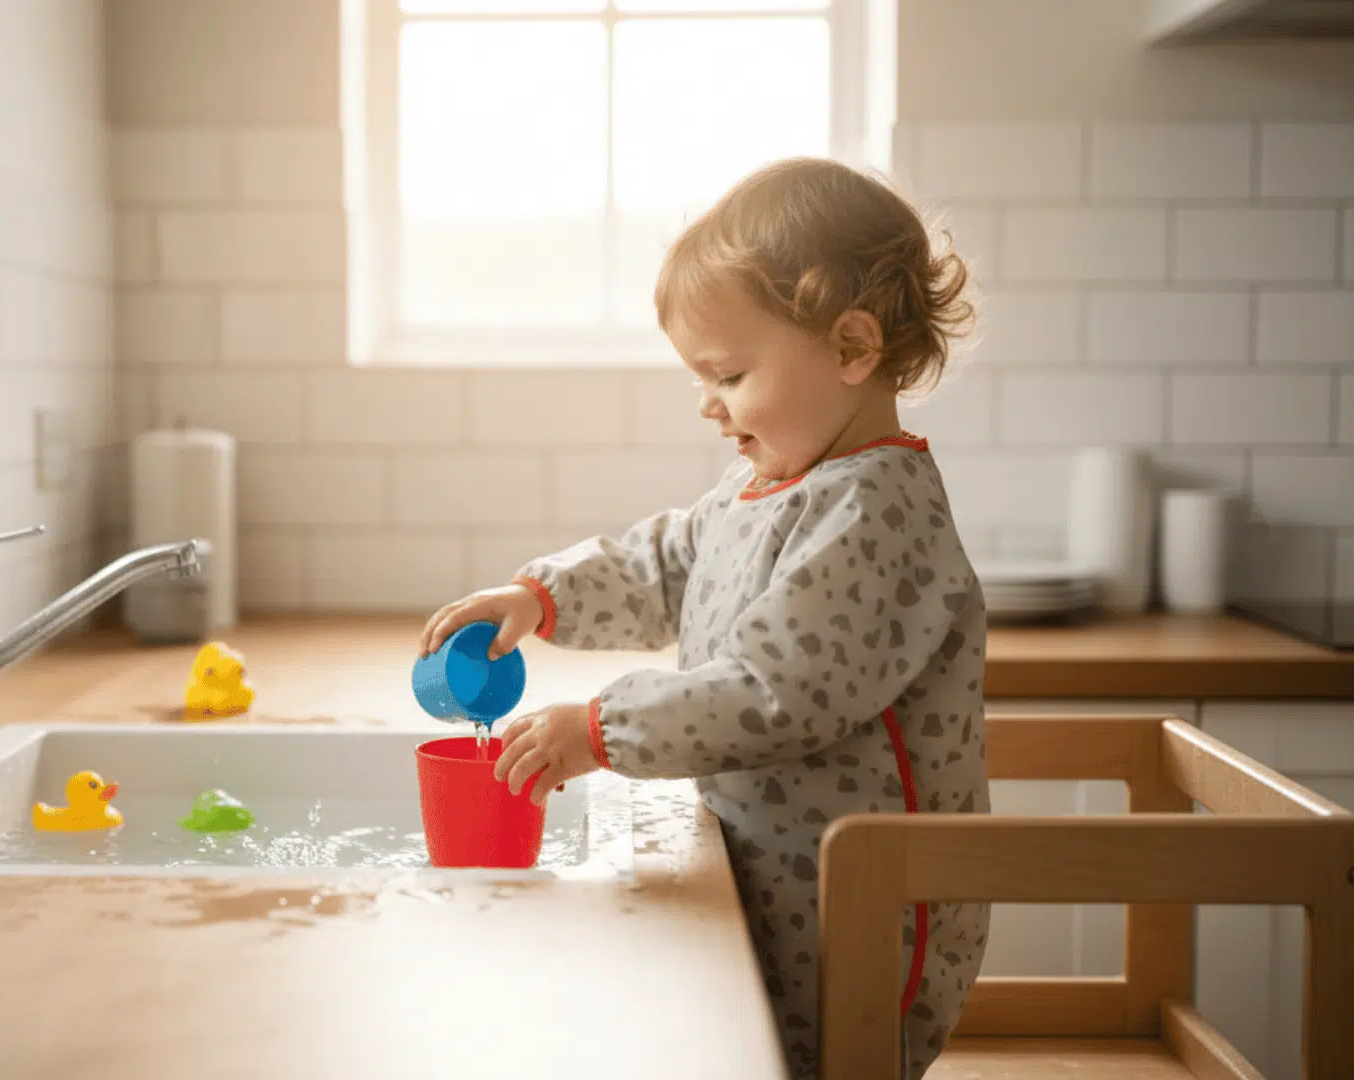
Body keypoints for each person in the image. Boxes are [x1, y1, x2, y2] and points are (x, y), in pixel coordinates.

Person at [417, 156, 990, 1080]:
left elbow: (776, 692)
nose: (708, 402)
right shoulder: (770, 486)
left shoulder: (875, 511)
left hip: (859, 910)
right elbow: (669, 561)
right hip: (779, 868)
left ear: (851, 348)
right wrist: (543, 597)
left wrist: (602, 729)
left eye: (728, 371)